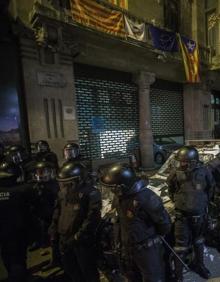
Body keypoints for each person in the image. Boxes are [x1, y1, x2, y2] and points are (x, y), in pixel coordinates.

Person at [100, 162, 171, 282]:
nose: (112, 192)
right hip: (128, 247)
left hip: (146, 249)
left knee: (152, 278)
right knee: (132, 276)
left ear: (124, 186)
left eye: (114, 188)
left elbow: (164, 224)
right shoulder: (120, 197)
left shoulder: (146, 197)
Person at [167, 146, 215, 281]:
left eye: (184, 162)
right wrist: (181, 203)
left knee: (199, 241)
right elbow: (171, 190)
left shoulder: (204, 171)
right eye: (180, 161)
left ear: (193, 161)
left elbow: (210, 188)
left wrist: (201, 203)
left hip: (199, 215)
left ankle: (199, 265)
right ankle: (178, 275)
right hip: (182, 217)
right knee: (180, 247)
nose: (181, 164)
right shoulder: (176, 173)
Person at [49, 161, 101, 282]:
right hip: (64, 237)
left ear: (79, 180)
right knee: (70, 269)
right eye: (62, 184)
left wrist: (77, 236)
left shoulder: (91, 193)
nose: (64, 187)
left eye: (68, 184)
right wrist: (53, 228)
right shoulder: (63, 194)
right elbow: (58, 212)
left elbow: (92, 218)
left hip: (81, 241)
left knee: (88, 271)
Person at [0, 161, 35, 282]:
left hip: (3, 232)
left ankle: (12, 275)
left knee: (6, 254)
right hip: (19, 230)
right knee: (19, 256)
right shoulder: (23, 189)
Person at [30, 161, 59, 258]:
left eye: (44, 172)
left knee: (54, 237)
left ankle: (56, 257)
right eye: (39, 172)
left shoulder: (55, 184)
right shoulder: (35, 186)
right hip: (41, 215)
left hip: (53, 215)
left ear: (51, 172)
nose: (41, 175)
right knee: (44, 234)